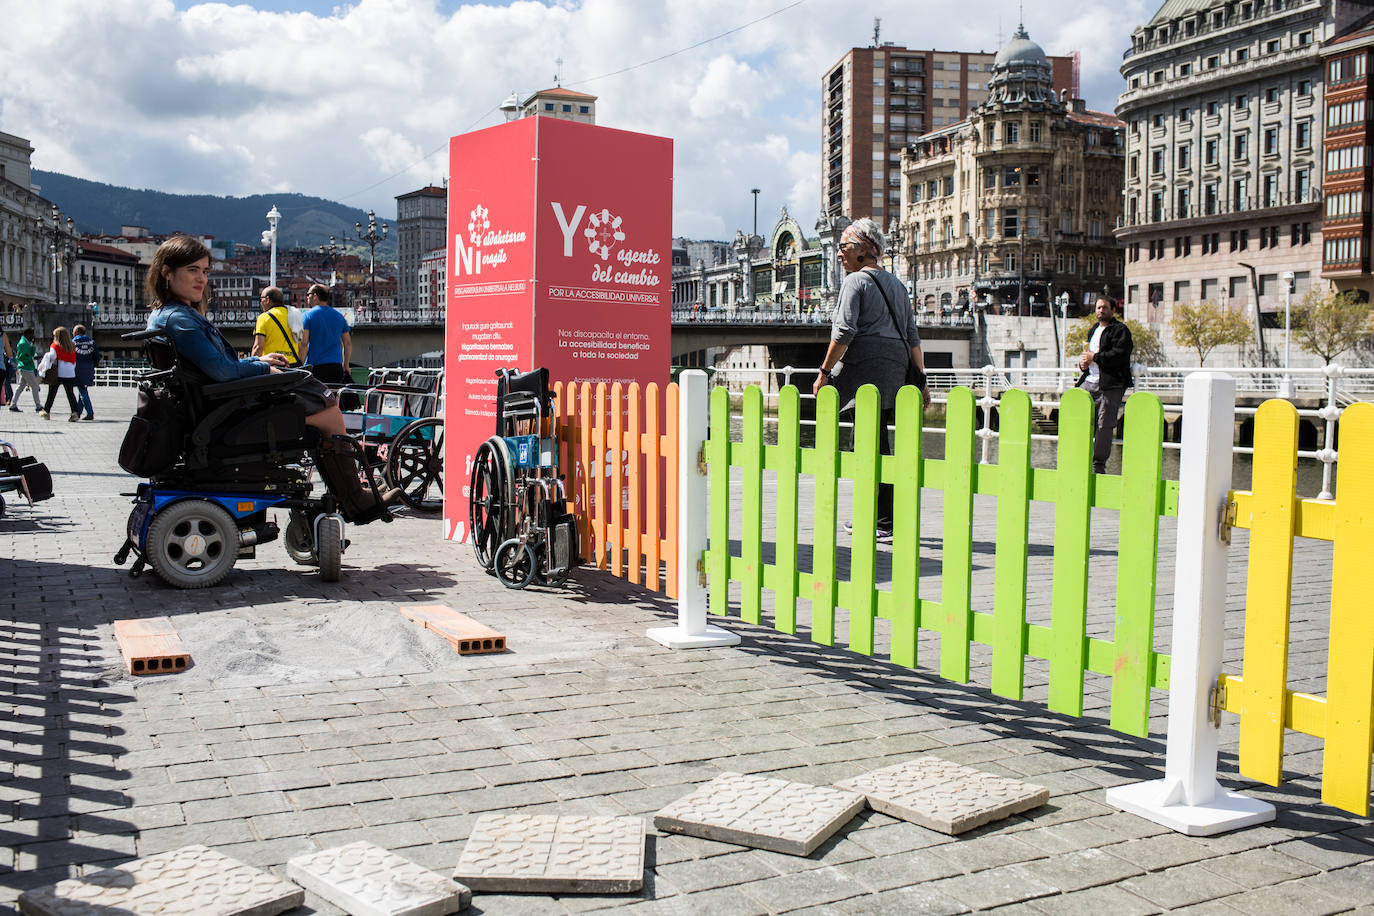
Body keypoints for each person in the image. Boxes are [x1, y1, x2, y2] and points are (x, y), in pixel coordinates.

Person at [145, 236, 400, 523]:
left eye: (204, 271)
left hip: (212, 409)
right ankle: (356, 500)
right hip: (223, 417)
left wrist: (258, 361)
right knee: (328, 410)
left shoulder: (166, 316)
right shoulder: (181, 320)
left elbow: (217, 366)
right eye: (193, 270)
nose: (201, 279)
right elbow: (224, 371)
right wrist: (264, 370)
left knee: (316, 398)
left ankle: (352, 494)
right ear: (167, 272)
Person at [813, 217, 930, 541]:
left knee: (867, 444)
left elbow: (844, 332)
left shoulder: (856, 282)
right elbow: (912, 337)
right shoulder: (897, 285)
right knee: (880, 443)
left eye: (844, 247)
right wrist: (921, 379)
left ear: (863, 249)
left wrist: (824, 372)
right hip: (895, 370)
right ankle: (882, 517)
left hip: (867, 369)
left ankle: (880, 520)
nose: (840, 253)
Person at [1076, 295, 1134, 474]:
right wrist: (1083, 364)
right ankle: (1080, 458)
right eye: (1098, 307)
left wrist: (1095, 357)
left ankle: (1098, 466)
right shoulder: (1093, 330)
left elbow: (1120, 355)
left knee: (1104, 424)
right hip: (1090, 381)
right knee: (1077, 416)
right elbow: (1089, 357)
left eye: (1105, 307)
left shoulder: (1120, 330)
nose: (1101, 310)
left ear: (1113, 310)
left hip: (1110, 384)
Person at [300, 284, 352, 384]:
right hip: (336, 366)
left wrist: (301, 365)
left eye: (308, 294)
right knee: (334, 393)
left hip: (315, 366)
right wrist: (346, 365)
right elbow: (347, 343)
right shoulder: (339, 316)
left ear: (315, 296)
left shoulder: (307, 316)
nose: (307, 297)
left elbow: (304, 343)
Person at [251, 286, 302, 366]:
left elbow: (258, 347)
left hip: (272, 365)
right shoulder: (294, 314)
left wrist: (252, 366)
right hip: (292, 365)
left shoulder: (264, 317)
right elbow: (301, 344)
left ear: (267, 300)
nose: (261, 302)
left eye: (261, 299)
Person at [37, 326, 80, 421]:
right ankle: (75, 412)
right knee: (70, 394)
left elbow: (53, 356)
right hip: (70, 372)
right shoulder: (72, 345)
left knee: (52, 393)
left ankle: (46, 411)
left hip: (58, 372)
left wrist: (46, 356)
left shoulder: (55, 346)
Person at [72, 324, 100, 420]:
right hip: (89, 368)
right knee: (82, 390)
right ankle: (79, 412)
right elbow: (97, 356)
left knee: (82, 390)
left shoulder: (73, 342)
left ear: (76, 332)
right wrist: (93, 365)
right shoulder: (92, 342)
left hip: (77, 369)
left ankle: (90, 412)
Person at [10, 327, 41, 412]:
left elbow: (30, 354)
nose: (33, 336)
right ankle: (38, 405)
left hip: (25, 367)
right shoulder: (23, 343)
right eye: (31, 334)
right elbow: (21, 357)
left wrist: (33, 345)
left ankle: (13, 404)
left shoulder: (26, 342)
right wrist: (31, 358)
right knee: (34, 386)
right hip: (26, 367)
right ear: (27, 334)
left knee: (21, 386)